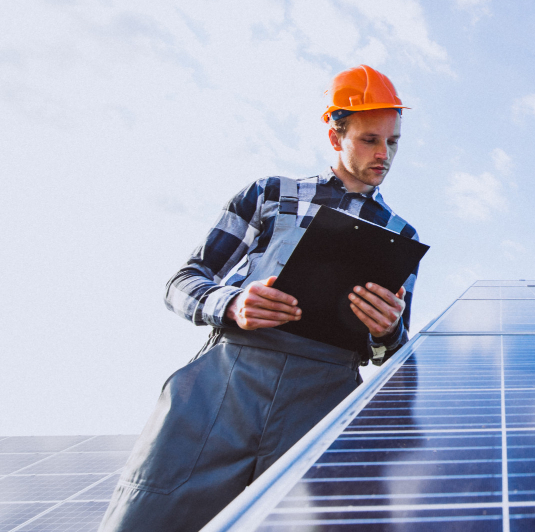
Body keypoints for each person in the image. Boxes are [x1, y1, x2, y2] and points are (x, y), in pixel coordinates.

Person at [100, 65, 419, 532]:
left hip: (323, 403)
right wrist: (231, 304)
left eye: (392, 142)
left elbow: (389, 356)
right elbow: (183, 282)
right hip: (224, 391)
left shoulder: (401, 236)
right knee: (148, 517)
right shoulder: (271, 195)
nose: (383, 154)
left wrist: (387, 329)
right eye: (370, 140)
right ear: (335, 137)